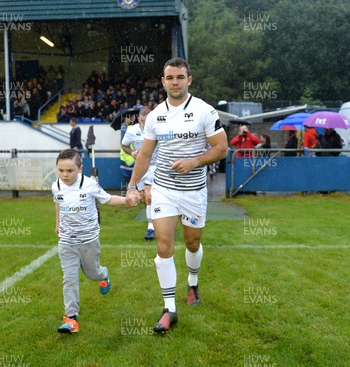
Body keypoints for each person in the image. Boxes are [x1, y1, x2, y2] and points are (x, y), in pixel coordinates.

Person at [125, 58, 228, 333]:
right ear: (163, 81)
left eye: (180, 77)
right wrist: (133, 185)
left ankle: (193, 282)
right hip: (164, 190)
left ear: (189, 80)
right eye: (169, 77)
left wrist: (194, 162)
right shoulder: (156, 115)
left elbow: (221, 148)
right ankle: (169, 309)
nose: (175, 82)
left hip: (194, 192)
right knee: (163, 246)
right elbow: (145, 154)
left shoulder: (204, 111)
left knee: (192, 243)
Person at [52, 149, 130, 334]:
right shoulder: (56, 186)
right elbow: (58, 202)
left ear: (79, 168)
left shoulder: (90, 185)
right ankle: (71, 318)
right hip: (66, 241)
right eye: (61, 170)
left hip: (89, 241)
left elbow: (107, 199)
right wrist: (58, 223)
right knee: (69, 279)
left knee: (92, 273)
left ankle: (103, 275)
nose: (64, 175)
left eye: (69, 171)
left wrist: (127, 200)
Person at [121, 107, 158, 240]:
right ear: (138, 117)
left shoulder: (156, 128)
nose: (143, 117)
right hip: (141, 167)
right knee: (145, 198)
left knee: (149, 195)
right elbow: (124, 145)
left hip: (156, 166)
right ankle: (156, 222)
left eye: (146, 115)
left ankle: (151, 228)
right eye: (141, 115)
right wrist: (132, 153)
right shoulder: (132, 131)